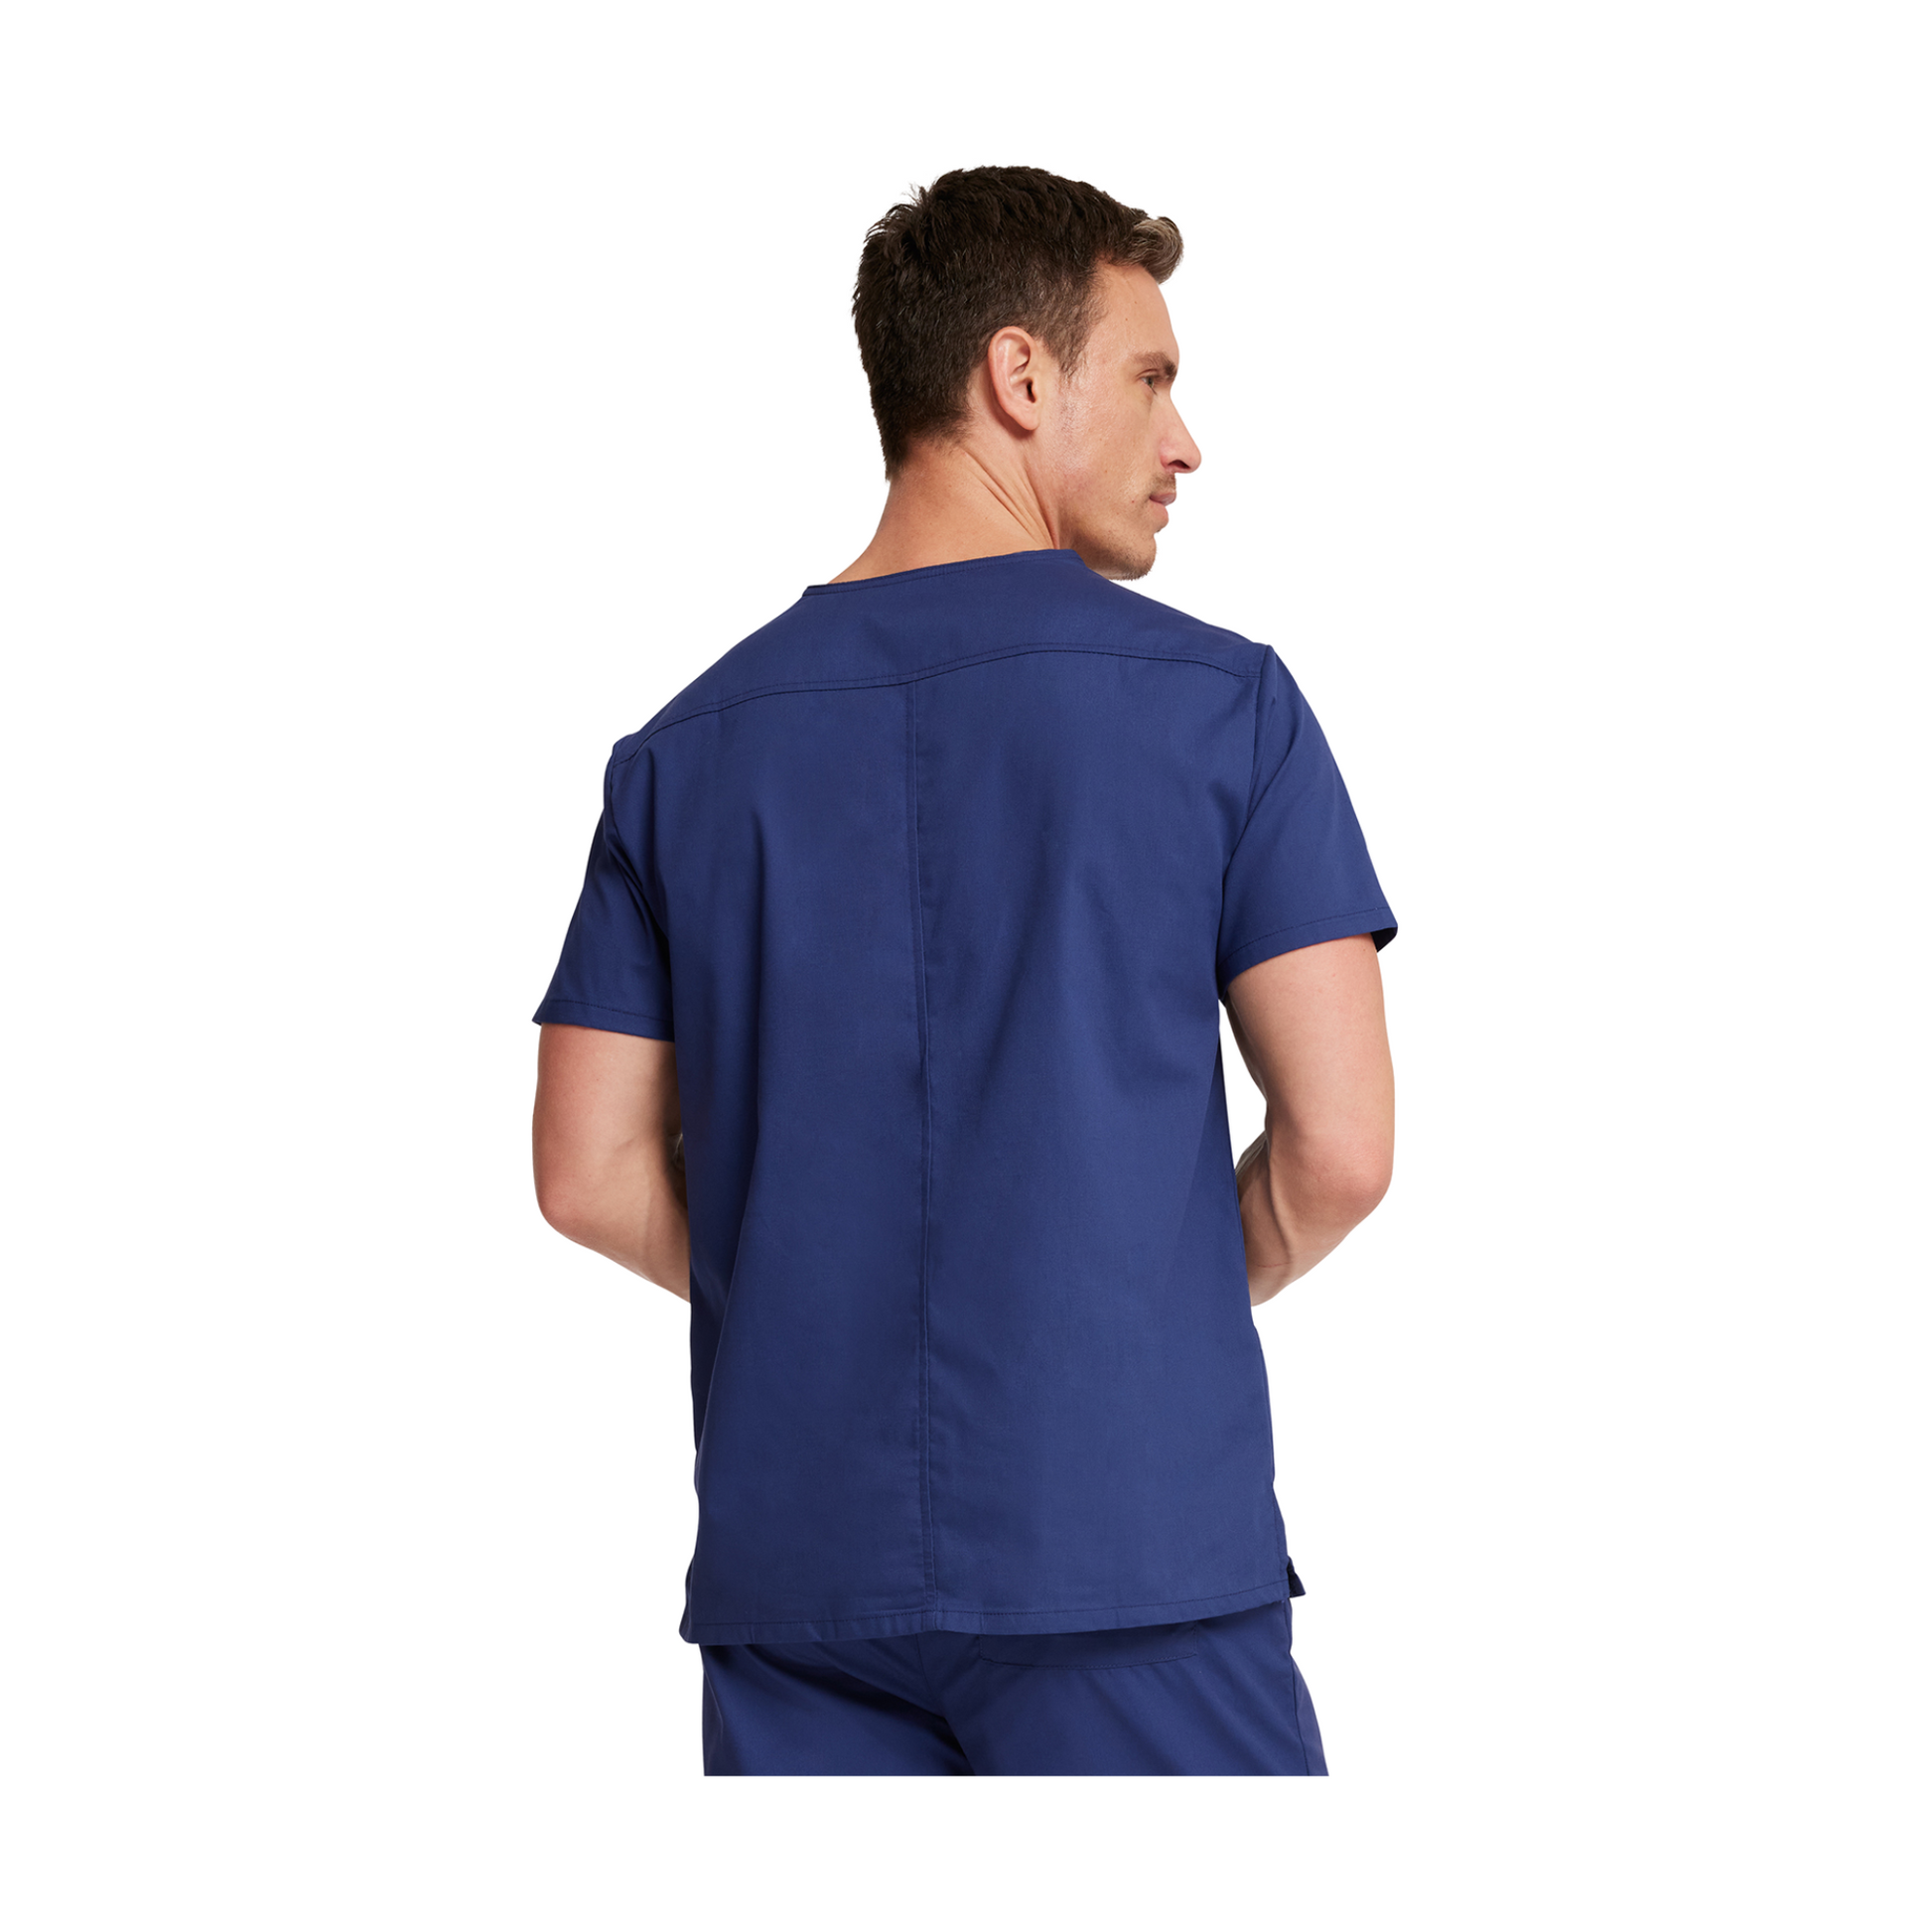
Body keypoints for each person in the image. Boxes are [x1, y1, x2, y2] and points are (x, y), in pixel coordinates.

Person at [531, 166, 1396, 1776]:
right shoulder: (1224, 710)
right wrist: (1127, 1298)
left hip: (798, 1570)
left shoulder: (678, 754)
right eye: (1150, 378)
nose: (1185, 441)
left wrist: (821, 1297)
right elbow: (1339, 1149)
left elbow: (585, 1175)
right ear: (1017, 376)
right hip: (1128, 1548)